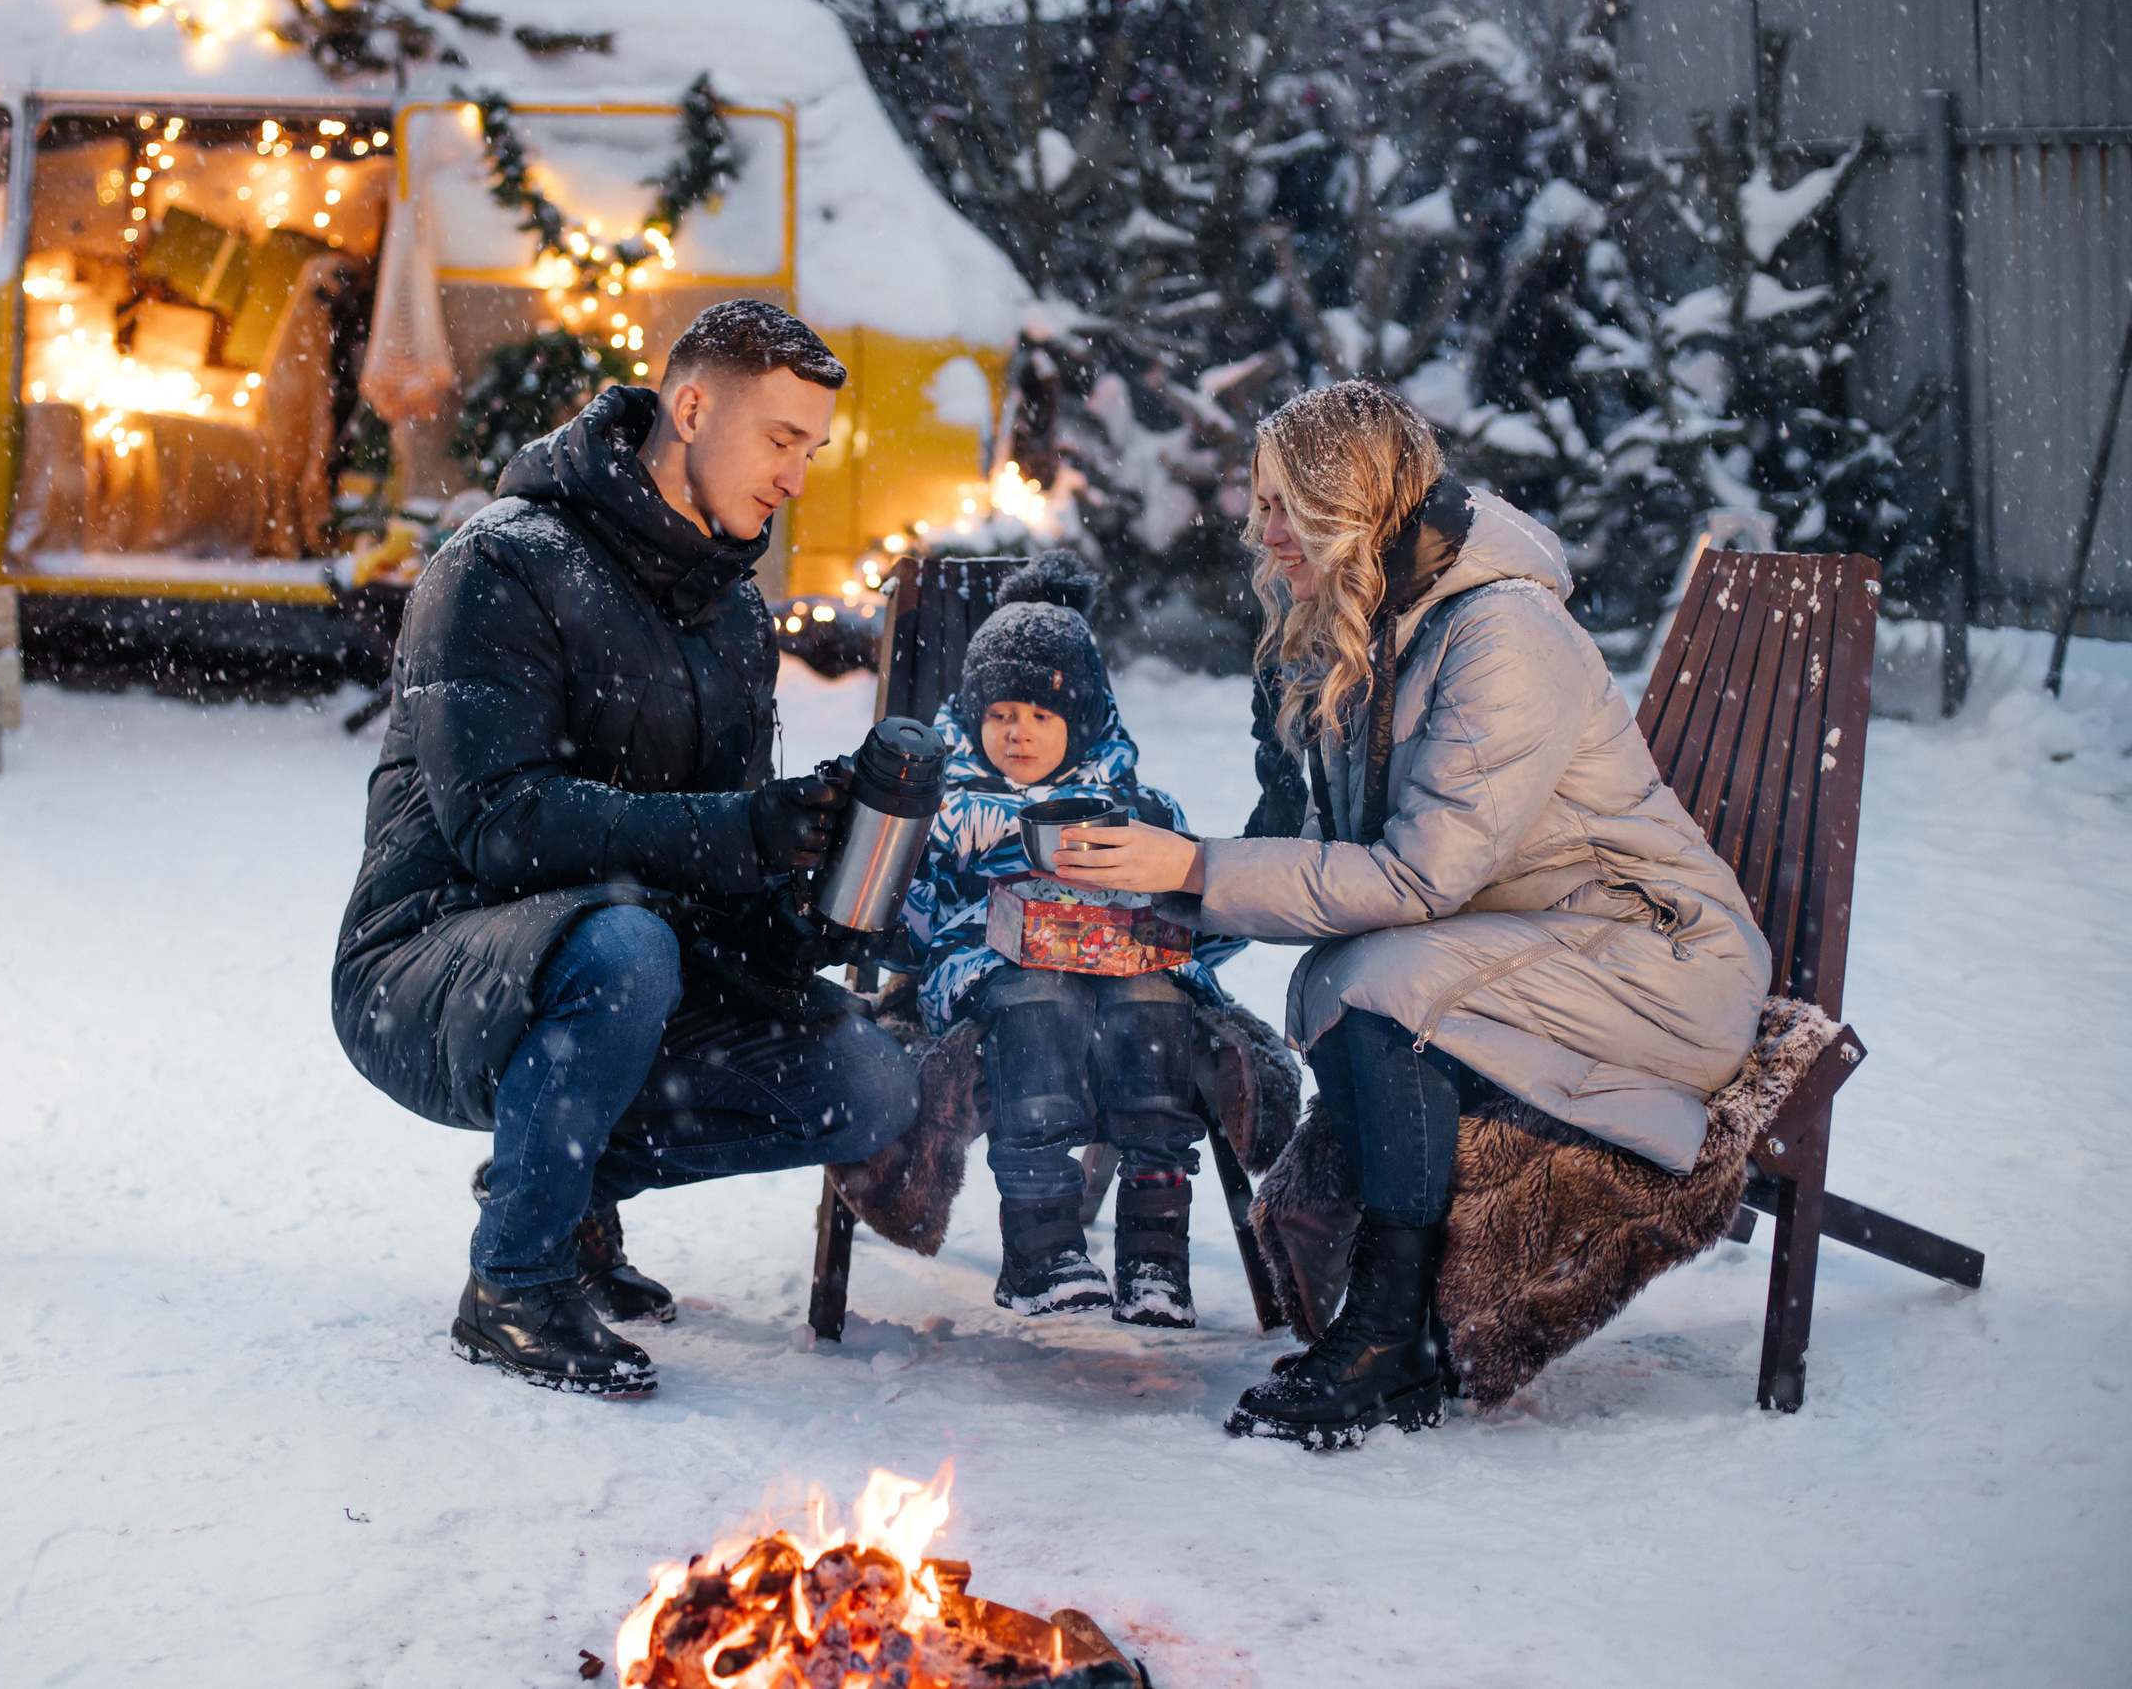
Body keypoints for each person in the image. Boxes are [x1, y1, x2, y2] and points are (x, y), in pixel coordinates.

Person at [1052, 381, 1772, 1448]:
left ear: (1354, 505)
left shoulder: (1500, 634)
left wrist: (1200, 865)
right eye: (1258, 506)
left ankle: (1392, 1339)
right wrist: (1165, 897)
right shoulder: (1378, 625)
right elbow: (1333, 847)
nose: (1260, 533)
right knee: (1343, 980)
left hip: (1658, 958)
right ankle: (1397, 1326)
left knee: (1375, 983)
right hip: (1550, 938)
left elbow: (1417, 880)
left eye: (1281, 506)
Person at [331, 302, 921, 1399]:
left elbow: (712, 862)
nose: (797, 476)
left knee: (868, 1079)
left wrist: (815, 894)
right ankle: (512, 1280)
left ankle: (558, 1185)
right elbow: (501, 825)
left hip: (612, 953)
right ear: (692, 408)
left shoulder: (730, 614)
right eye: (782, 439)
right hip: (425, 959)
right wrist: (734, 832)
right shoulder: (500, 564)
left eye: (813, 448)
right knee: (624, 947)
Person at [901, 552, 1243, 1328]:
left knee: (1154, 998)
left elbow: (1202, 915)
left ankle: (1156, 1252)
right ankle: (1041, 1242)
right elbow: (907, 912)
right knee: (1041, 995)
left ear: (1082, 721)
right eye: (998, 714)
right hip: (999, 968)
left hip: (1120, 970)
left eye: (1041, 716)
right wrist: (965, 908)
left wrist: (1175, 925)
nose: (1017, 732)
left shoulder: (1133, 806)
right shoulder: (950, 807)